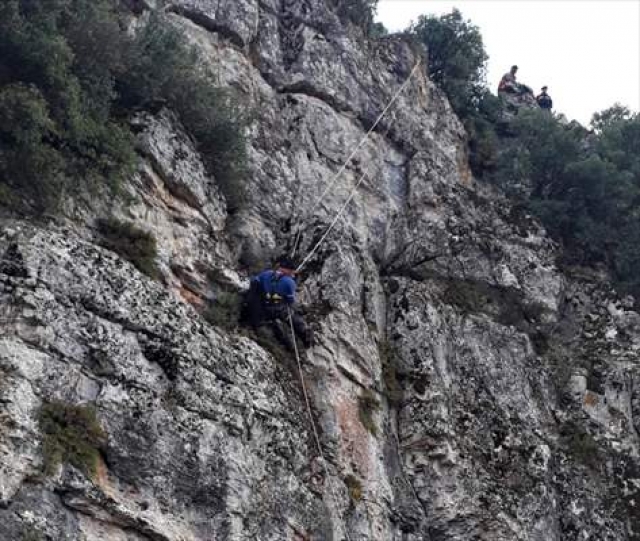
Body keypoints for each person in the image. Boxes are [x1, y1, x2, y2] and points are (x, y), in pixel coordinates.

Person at [242, 257, 312, 350]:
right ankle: (305, 337)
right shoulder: (289, 282)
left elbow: (254, 282)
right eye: (292, 271)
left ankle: (288, 346)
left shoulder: (266, 273)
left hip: (256, 308)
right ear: (289, 270)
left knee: (275, 325)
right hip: (269, 310)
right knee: (289, 314)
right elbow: (291, 302)